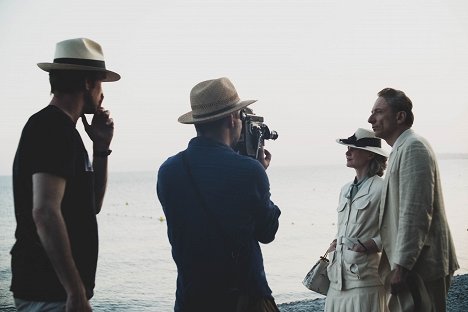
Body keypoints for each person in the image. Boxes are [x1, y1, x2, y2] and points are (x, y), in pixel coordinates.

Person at [11, 38, 120, 311]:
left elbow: (91, 205)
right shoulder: (51, 127)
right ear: (87, 82)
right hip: (48, 292)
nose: (102, 93)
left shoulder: (66, 132)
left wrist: (101, 149)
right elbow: (45, 211)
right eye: (101, 82)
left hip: (56, 292)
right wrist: (74, 291)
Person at [157, 77, 281, 312]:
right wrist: (259, 171)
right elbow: (267, 232)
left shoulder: (168, 170)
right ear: (233, 118)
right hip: (243, 300)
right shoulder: (249, 171)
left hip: (190, 300)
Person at [368, 88, 459, 311]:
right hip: (414, 265)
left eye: (379, 112)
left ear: (400, 116)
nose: (371, 119)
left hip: (420, 266)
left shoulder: (413, 147)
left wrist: (402, 266)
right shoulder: (401, 149)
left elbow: (416, 211)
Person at [325, 128, 389, 312]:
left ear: (370, 155)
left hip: (365, 281)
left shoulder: (382, 188)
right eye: (348, 148)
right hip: (336, 280)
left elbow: (397, 230)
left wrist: (372, 244)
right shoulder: (344, 190)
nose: (347, 152)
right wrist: (335, 244)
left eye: (353, 148)